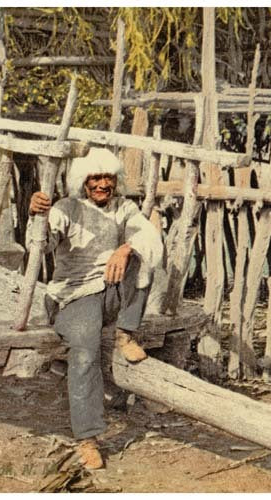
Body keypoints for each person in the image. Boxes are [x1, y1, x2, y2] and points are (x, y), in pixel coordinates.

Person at [27, 147, 164, 470]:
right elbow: (42, 243)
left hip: (111, 293)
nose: (102, 184)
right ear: (83, 181)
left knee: (142, 253)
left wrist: (126, 248)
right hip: (75, 295)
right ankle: (87, 438)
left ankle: (124, 333)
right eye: (95, 178)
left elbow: (150, 238)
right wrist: (37, 215)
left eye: (108, 178)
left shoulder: (124, 208)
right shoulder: (67, 208)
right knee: (86, 352)